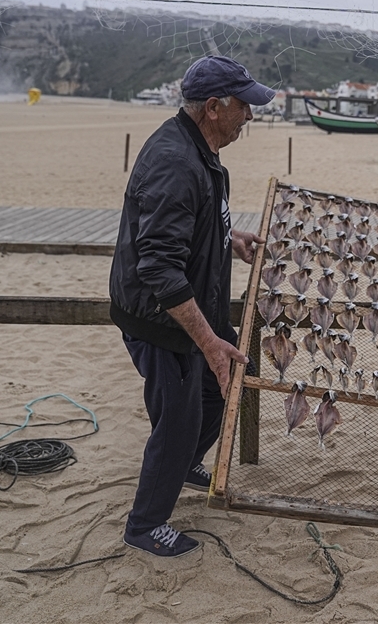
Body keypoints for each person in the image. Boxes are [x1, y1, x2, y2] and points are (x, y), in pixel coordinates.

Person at [109, 56, 273, 557]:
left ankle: (181, 467)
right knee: (177, 421)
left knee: (216, 398)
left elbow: (190, 229)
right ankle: (145, 525)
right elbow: (158, 266)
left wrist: (228, 238)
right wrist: (209, 340)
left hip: (191, 314)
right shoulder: (175, 161)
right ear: (214, 106)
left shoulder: (199, 149)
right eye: (243, 105)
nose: (250, 114)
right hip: (163, 321)